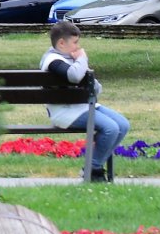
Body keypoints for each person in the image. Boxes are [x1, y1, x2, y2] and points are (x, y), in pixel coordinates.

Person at [43, 21, 128, 182]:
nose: (78, 46)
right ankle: (93, 169)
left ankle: (93, 166)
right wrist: (82, 59)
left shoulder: (70, 59)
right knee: (110, 128)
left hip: (83, 107)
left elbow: (96, 89)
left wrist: (81, 63)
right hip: (65, 112)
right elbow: (73, 76)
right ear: (61, 43)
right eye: (75, 42)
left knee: (122, 125)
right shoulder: (53, 61)